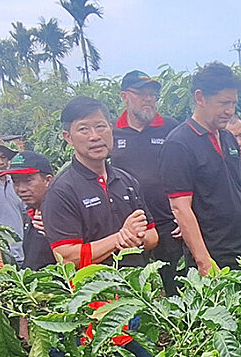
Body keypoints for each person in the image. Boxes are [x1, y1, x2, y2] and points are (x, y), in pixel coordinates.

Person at [162, 62, 241, 275]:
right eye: (223, 103)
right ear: (200, 98)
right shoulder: (179, 144)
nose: (229, 111)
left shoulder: (228, 138)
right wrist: (204, 262)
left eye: (233, 103)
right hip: (218, 259)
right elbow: (181, 208)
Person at [41, 96, 157, 269]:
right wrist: (120, 238)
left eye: (100, 126)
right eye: (83, 129)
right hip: (92, 293)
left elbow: (152, 235)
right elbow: (67, 258)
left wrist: (137, 238)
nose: (94, 136)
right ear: (68, 137)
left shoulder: (126, 181)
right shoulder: (61, 191)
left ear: (111, 129)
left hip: (135, 290)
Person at [112, 70, 182, 293]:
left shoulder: (171, 128)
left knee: (177, 287)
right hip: (128, 229)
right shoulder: (111, 132)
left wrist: (188, 217)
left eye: (152, 94)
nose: (149, 99)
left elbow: (191, 173)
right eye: (142, 93)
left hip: (169, 225)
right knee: (130, 290)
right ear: (125, 96)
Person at [1, 150, 55, 270]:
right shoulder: (31, 213)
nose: (21, 189)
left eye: (28, 180)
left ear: (48, 180)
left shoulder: (63, 213)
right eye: (15, 181)